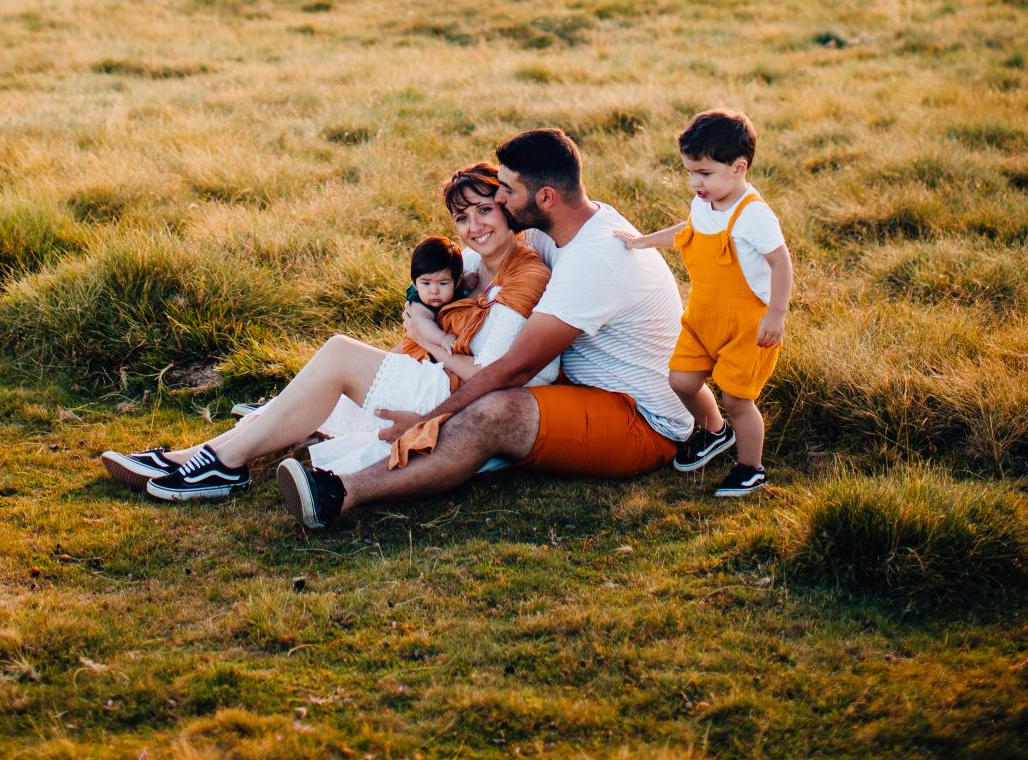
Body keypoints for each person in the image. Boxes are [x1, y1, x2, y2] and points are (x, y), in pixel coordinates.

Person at [275, 128, 694, 531]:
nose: (499, 196)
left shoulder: (593, 259)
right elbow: (471, 266)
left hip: (640, 419)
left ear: (545, 197)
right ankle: (309, 417)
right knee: (477, 399)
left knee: (493, 411)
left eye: (508, 190)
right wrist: (424, 304)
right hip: (581, 387)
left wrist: (428, 419)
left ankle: (339, 492)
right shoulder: (560, 226)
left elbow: (510, 369)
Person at [99, 163, 554, 502]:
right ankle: (195, 457)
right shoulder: (476, 264)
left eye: (484, 210)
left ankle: (224, 466)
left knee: (338, 354)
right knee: (316, 391)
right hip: (436, 375)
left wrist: (430, 337)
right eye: (461, 218)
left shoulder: (524, 273)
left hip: (458, 394)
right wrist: (419, 333)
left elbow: (491, 372)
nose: (474, 227)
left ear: (507, 208)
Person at [612, 107, 792, 496]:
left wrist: (776, 313)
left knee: (737, 398)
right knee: (681, 379)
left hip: (747, 324)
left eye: (705, 173)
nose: (695, 182)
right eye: (690, 172)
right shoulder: (704, 203)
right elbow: (689, 231)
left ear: (739, 167)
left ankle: (751, 468)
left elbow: (780, 261)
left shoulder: (753, 214)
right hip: (704, 317)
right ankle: (714, 431)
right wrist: (644, 240)